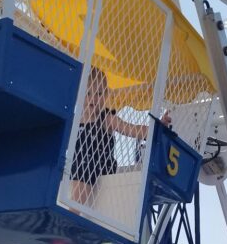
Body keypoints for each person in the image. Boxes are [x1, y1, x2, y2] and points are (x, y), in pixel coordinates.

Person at [70, 66, 171, 205]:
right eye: (88, 93)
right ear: (80, 95)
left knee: (83, 167)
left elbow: (132, 130)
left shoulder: (106, 118)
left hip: (99, 166)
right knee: (69, 166)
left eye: (99, 94)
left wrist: (158, 127)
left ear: (105, 96)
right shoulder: (74, 120)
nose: (93, 98)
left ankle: (73, 209)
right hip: (76, 165)